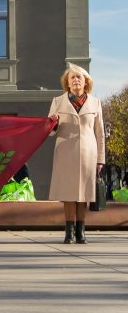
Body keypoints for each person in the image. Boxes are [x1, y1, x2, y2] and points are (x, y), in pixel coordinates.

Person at [48, 64, 105, 244]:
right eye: (72, 77)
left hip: (89, 153)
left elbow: (100, 133)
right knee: (68, 194)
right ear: (67, 82)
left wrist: (101, 159)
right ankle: (68, 232)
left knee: (84, 195)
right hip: (66, 151)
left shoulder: (95, 102)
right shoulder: (58, 101)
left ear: (86, 81)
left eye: (79, 77)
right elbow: (49, 131)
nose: (75, 80)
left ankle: (81, 231)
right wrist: (53, 123)